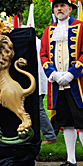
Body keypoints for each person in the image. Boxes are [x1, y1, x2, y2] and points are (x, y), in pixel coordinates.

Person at [40, 0, 83, 166]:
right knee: (66, 123)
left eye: (63, 6)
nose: (59, 9)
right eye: (56, 6)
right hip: (57, 85)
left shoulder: (82, 27)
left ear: (70, 8)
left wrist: (72, 74)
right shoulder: (48, 30)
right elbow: (43, 54)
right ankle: (71, 160)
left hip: (77, 85)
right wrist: (53, 74)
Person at [18, 13, 57, 145]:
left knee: (38, 108)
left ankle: (50, 135)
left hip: (36, 80)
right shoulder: (29, 37)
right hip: (35, 79)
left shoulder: (24, 37)